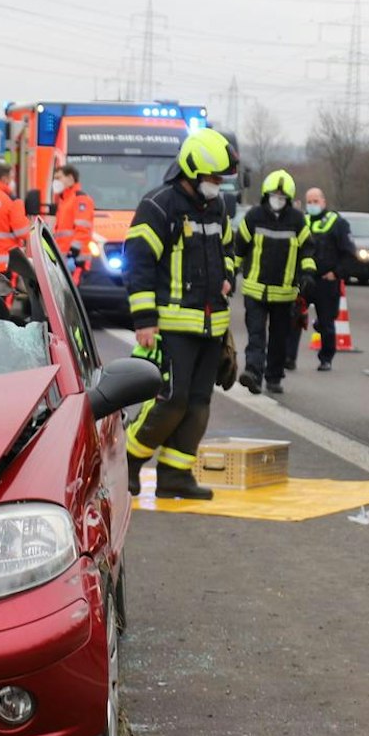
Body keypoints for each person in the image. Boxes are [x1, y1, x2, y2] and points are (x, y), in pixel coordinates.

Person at [123, 128, 241, 500]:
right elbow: (137, 263)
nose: (216, 185)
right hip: (172, 326)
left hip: (211, 326)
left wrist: (227, 277)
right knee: (170, 401)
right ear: (190, 172)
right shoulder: (159, 206)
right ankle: (128, 458)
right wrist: (144, 321)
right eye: (212, 178)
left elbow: (229, 251)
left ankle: (175, 474)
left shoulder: (218, 208)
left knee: (198, 404)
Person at [232, 170, 311, 395]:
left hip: (284, 293)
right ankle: (253, 374)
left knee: (279, 338)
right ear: (266, 194)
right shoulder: (254, 217)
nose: (278, 198)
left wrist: (307, 274)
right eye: (274, 194)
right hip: (255, 290)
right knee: (256, 335)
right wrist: (230, 274)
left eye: (282, 196)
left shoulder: (297, 220)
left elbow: (307, 249)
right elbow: (239, 248)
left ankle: (274, 377)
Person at [299, 187, 355, 372]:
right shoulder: (301, 222)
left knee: (326, 322)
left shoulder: (337, 223)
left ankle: (326, 359)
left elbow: (348, 253)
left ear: (324, 202)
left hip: (326, 280)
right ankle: (288, 358)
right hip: (305, 278)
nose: (313, 205)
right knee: (293, 318)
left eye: (316, 201)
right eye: (309, 201)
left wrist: (337, 274)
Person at [52, 165, 95, 267]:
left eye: (58, 178)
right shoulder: (64, 201)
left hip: (77, 259)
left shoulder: (80, 199)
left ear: (71, 179)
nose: (55, 182)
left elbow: (83, 229)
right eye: (54, 179)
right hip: (65, 259)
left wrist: (73, 251)